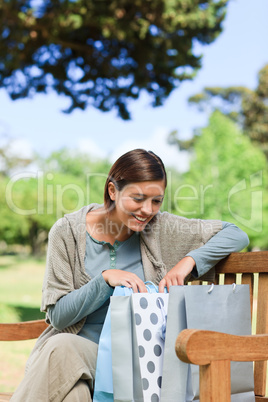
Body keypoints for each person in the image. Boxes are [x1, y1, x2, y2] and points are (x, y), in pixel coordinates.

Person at [11, 149, 249, 401]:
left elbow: (236, 234)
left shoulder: (161, 229)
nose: (148, 210)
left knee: (63, 353)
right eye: (138, 198)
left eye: (156, 200)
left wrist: (187, 262)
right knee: (71, 385)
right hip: (82, 358)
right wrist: (104, 281)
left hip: (139, 363)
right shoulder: (67, 231)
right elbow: (58, 318)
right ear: (112, 191)